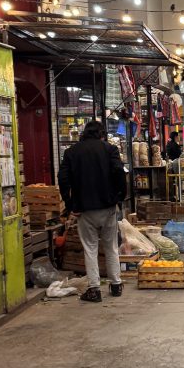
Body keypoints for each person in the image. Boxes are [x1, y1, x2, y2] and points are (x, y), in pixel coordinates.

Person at [58, 119, 127, 303]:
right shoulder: (110, 149)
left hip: (84, 209)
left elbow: (62, 179)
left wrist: (70, 204)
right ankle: (116, 285)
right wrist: (120, 196)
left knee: (90, 248)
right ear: (101, 134)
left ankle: (94, 289)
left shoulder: (71, 152)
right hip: (108, 206)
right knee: (111, 246)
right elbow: (119, 172)